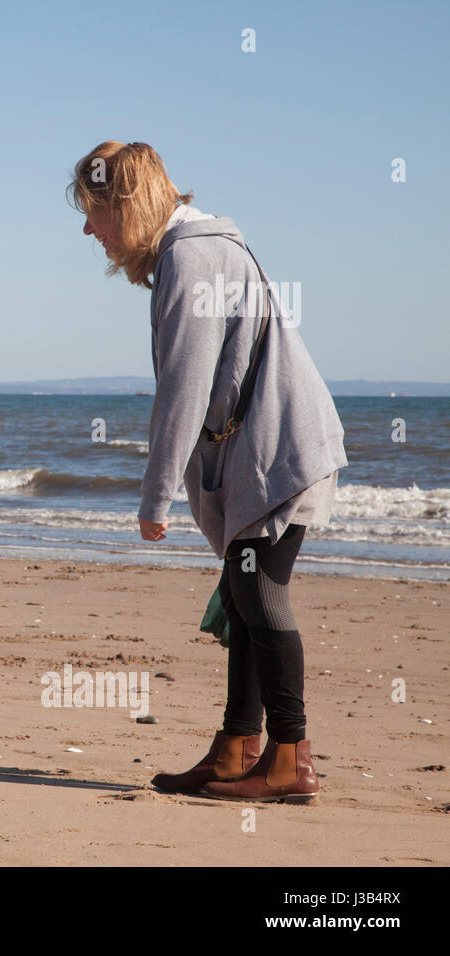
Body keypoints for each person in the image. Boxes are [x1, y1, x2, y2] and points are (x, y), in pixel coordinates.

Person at [68, 141, 347, 803]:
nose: (87, 229)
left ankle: (290, 758)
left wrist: (155, 495)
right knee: (244, 595)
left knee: (258, 599)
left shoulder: (189, 258)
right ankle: (235, 750)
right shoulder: (192, 249)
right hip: (274, 448)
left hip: (283, 451)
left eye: (93, 211)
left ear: (125, 205)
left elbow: (184, 390)